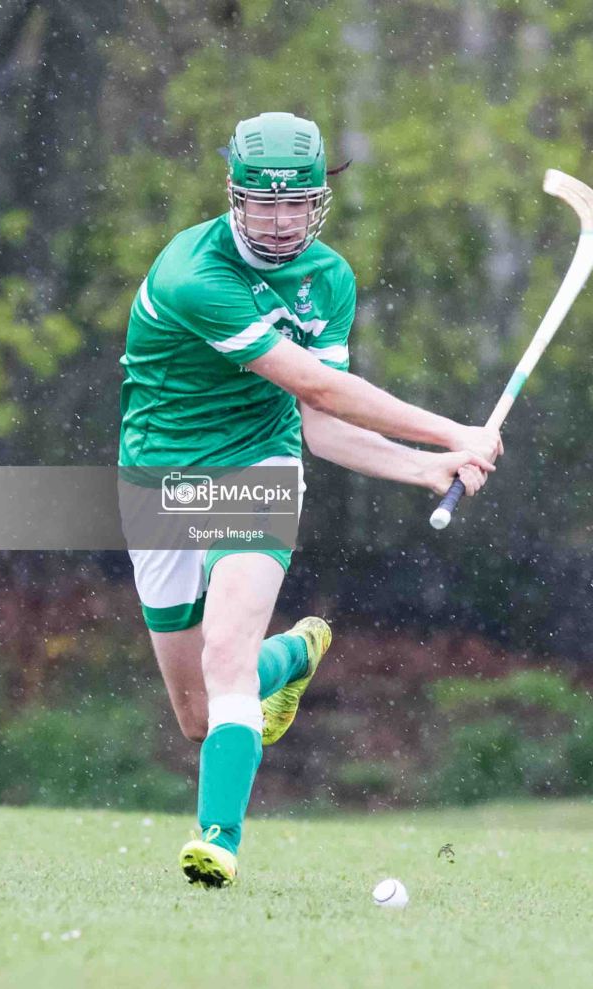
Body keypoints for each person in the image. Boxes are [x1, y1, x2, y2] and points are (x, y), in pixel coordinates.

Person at [119, 111, 503, 888]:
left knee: (226, 656)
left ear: (318, 201)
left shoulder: (328, 279)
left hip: (257, 467)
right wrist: (452, 432)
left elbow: (318, 426)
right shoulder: (196, 275)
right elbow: (319, 386)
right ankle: (293, 655)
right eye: (264, 203)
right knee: (198, 714)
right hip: (160, 480)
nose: (280, 220)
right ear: (235, 197)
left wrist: (424, 468)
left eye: (296, 203)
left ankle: (217, 843)